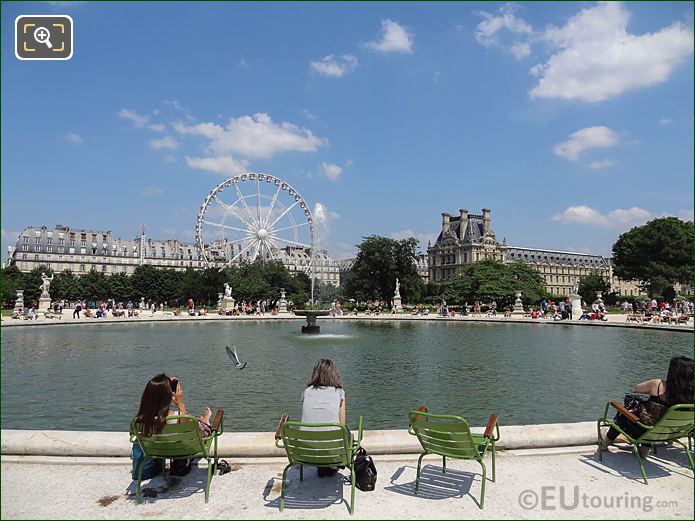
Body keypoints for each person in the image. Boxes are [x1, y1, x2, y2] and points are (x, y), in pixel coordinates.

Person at [599, 356, 693, 456]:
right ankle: (644, 450)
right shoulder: (691, 395)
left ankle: (605, 443)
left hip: (644, 432)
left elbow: (636, 388)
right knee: (652, 420)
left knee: (623, 413)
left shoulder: (658, 384)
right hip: (672, 434)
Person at [301, 359, 346, 477]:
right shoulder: (339, 392)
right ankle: (331, 465)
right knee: (344, 431)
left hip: (307, 450)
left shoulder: (306, 392)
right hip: (331, 448)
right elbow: (342, 424)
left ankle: (321, 466)